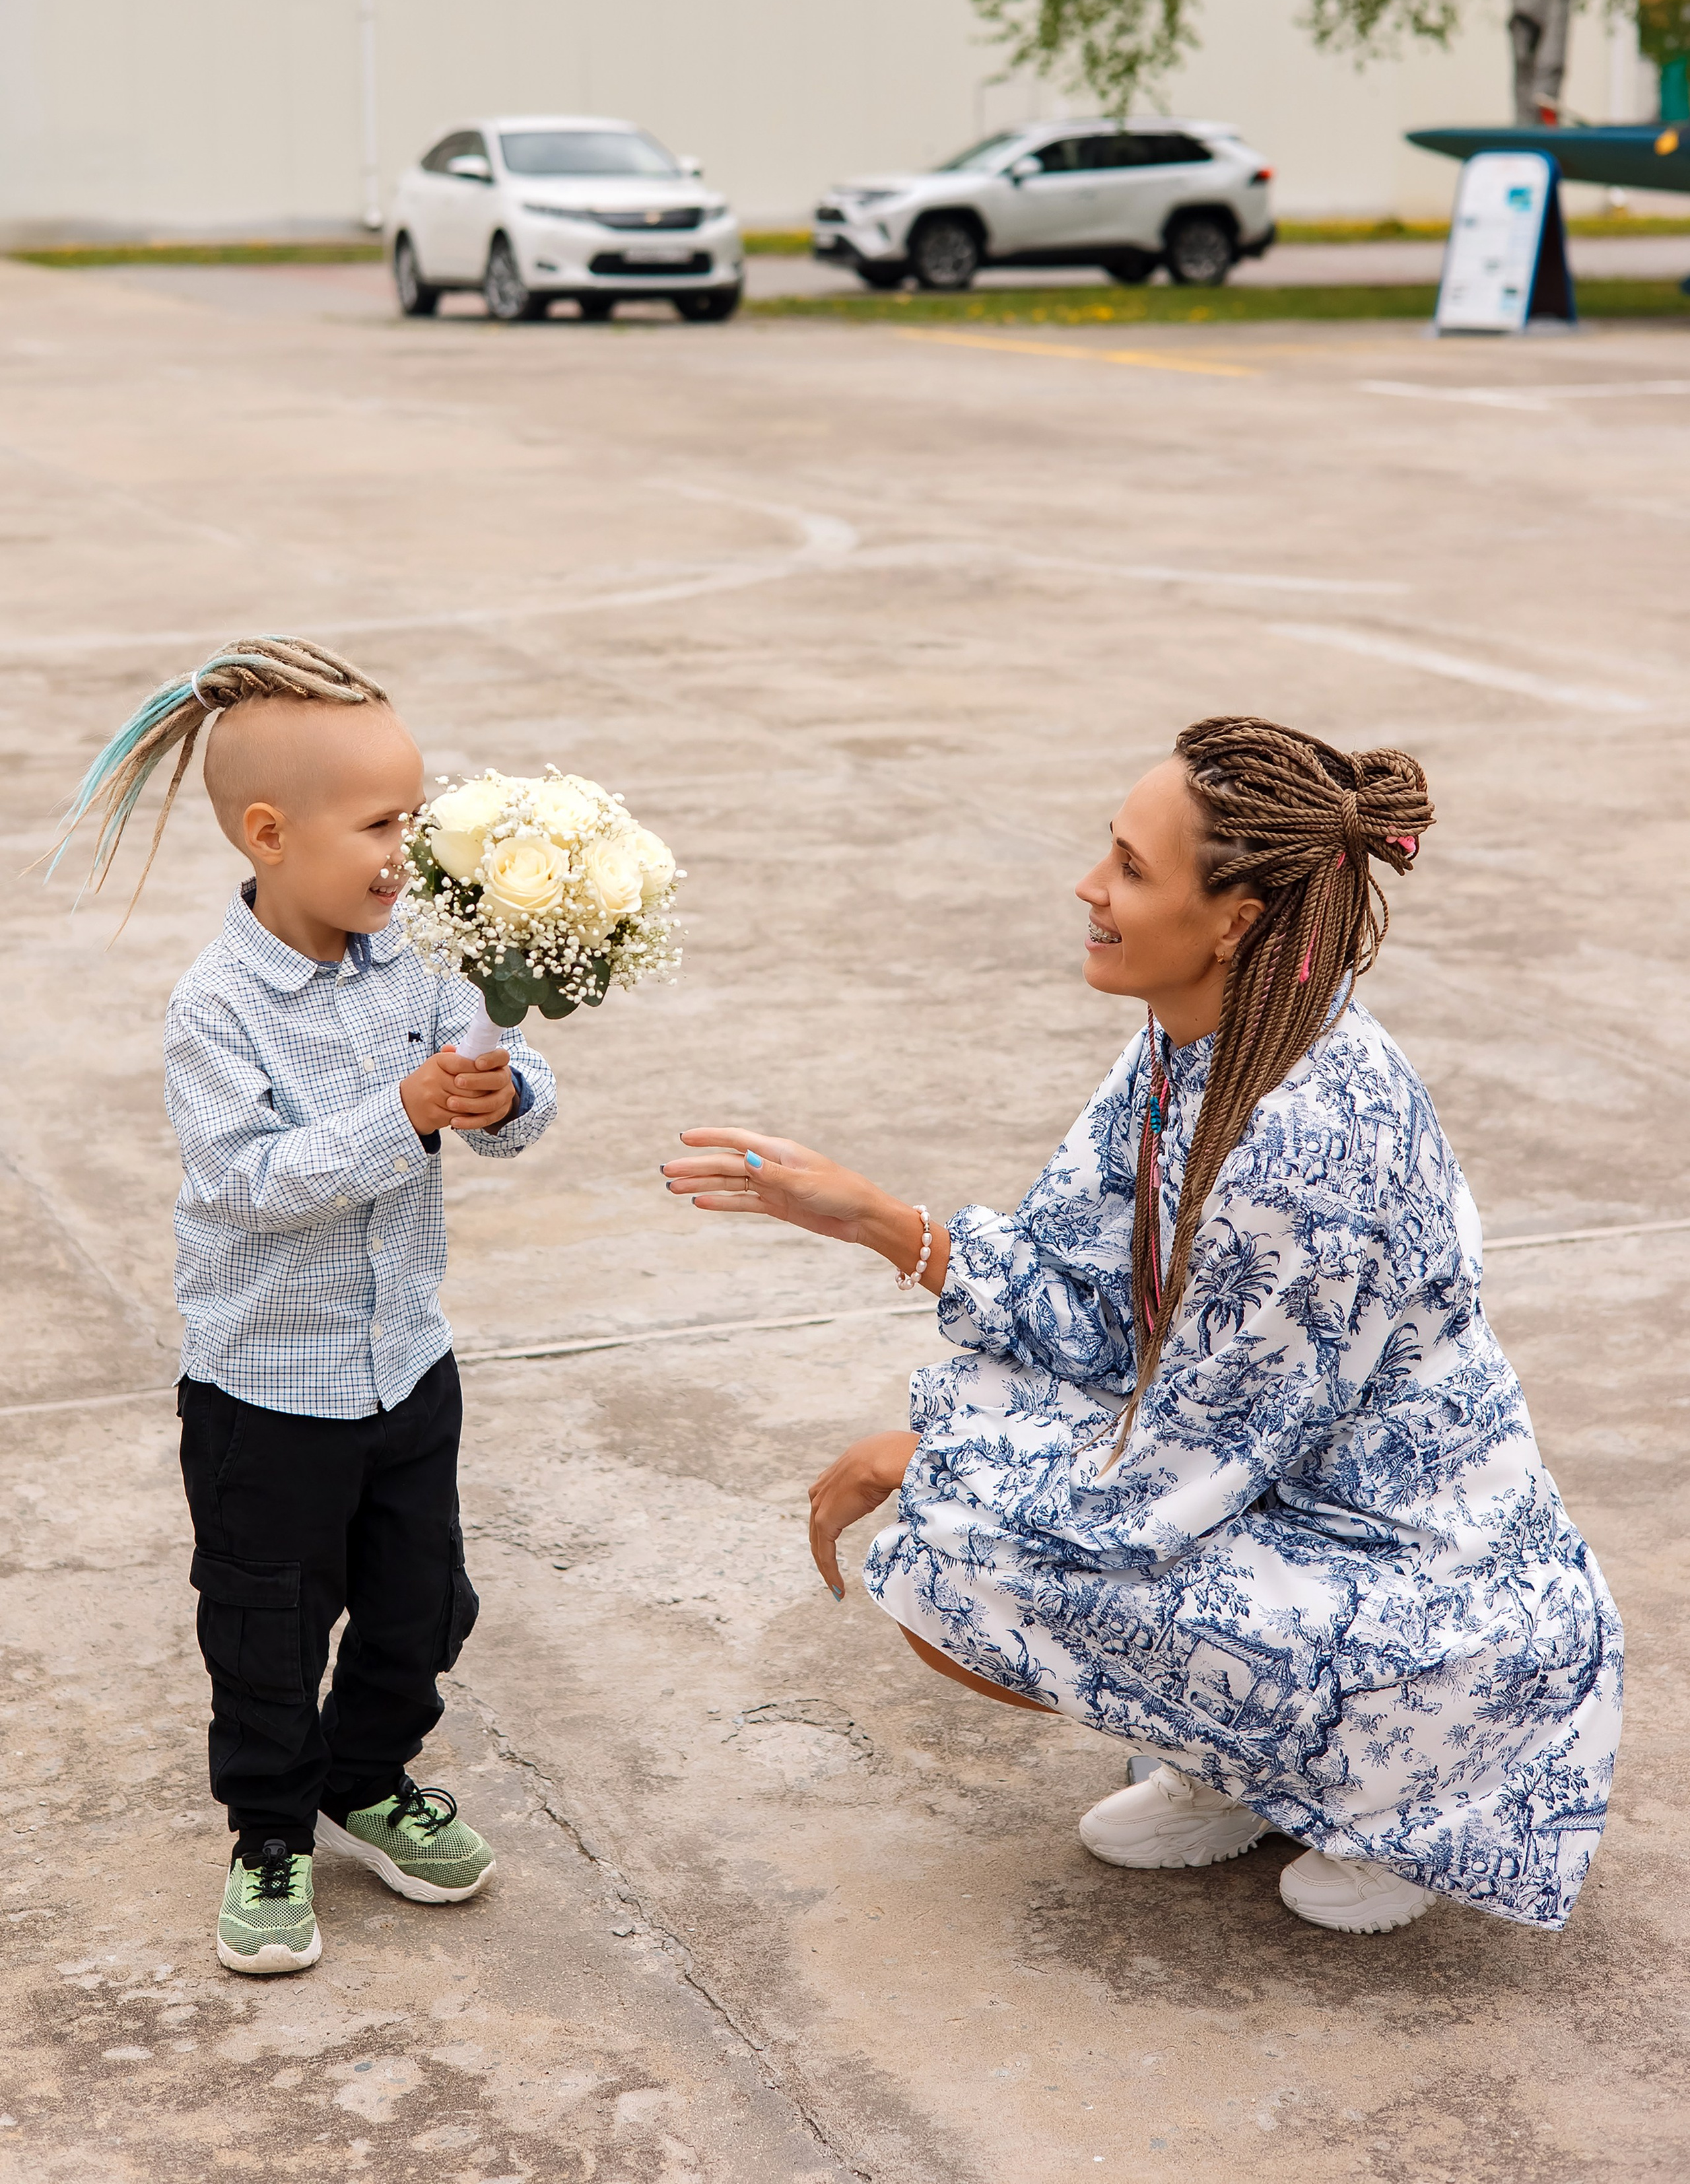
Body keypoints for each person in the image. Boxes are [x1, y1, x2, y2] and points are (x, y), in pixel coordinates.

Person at [663, 716, 1622, 1936]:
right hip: (1289, 1504)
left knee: (957, 1556)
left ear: (1235, 920)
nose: (1089, 885)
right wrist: (869, 1217)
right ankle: (1246, 1769)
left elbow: (1181, 1472)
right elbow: (1087, 1311)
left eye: (1129, 865)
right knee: (973, 1493)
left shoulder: (1313, 1151)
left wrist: (921, 1461)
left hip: (1432, 1602)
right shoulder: (1192, 1049)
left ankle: (1387, 1795)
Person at [57, 638, 557, 1975]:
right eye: (383, 825)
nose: (410, 850)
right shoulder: (216, 1008)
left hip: (407, 1365)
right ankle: (270, 1832)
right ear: (271, 835)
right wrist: (399, 1117)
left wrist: (508, 1095)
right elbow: (248, 1183)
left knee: (421, 1607)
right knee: (267, 1627)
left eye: (416, 814)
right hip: (266, 1393)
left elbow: (506, 1093)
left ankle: (368, 1775)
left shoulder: (425, 964)